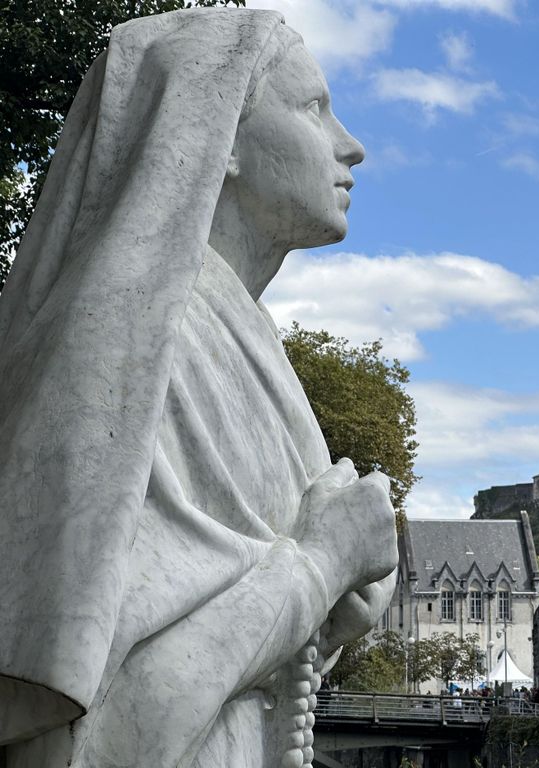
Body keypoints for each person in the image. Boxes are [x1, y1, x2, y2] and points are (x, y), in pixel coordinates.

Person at [0, 9, 397, 768]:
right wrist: (319, 567)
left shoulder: (236, 336)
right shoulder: (134, 345)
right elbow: (99, 742)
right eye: (313, 108)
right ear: (221, 139)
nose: (351, 145)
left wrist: (334, 608)